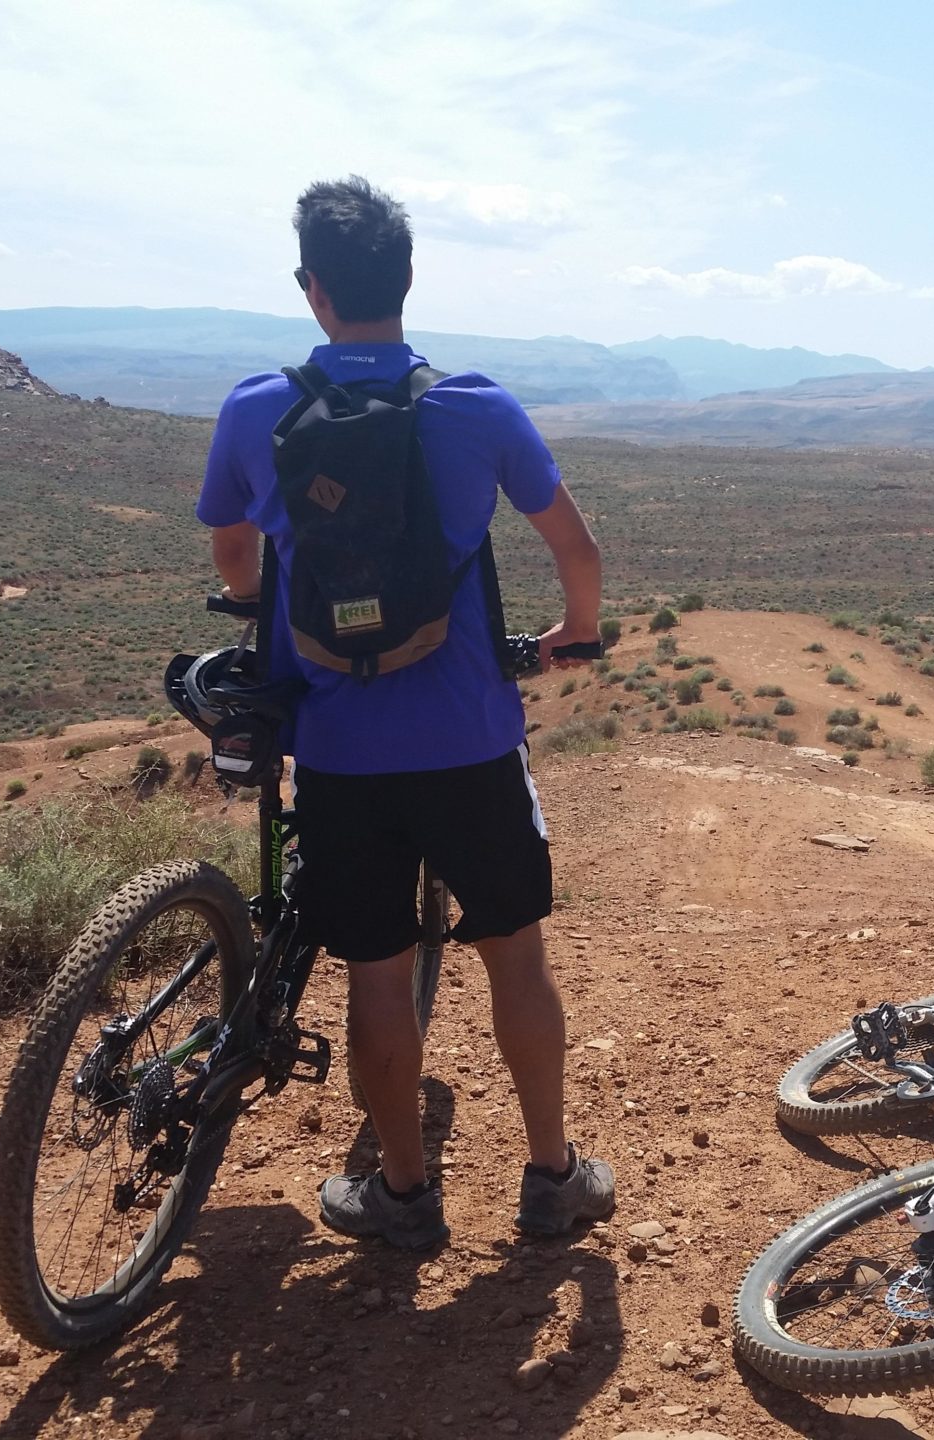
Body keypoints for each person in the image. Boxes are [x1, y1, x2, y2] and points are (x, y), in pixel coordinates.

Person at [196, 176, 612, 1250]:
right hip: (472, 740)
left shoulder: (255, 406)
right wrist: (573, 631)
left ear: (312, 289)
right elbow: (577, 552)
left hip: (338, 751)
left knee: (376, 975)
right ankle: (552, 1178)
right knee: (515, 960)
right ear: (408, 279)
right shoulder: (473, 405)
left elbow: (234, 552)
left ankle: (400, 1195)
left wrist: (258, 606)